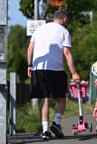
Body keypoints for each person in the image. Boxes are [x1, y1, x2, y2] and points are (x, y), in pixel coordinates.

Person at [27, 9, 80, 140]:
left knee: (44, 99)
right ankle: (56, 123)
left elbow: (30, 48)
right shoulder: (64, 31)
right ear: (65, 19)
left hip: (39, 68)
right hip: (56, 69)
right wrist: (74, 73)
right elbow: (66, 53)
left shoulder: (39, 29)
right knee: (61, 97)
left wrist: (29, 65)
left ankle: (45, 130)